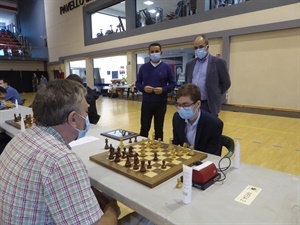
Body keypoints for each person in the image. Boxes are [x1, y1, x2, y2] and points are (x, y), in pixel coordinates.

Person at [0, 79, 154, 225]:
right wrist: (112, 207)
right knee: (151, 219)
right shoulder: (61, 160)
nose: (87, 118)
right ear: (73, 119)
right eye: (86, 112)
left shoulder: (20, 139)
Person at [135, 42, 175, 141]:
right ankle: (141, 148)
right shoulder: (143, 68)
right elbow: (138, 83)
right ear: (149, 53)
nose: (154, 53)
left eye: (156, 51)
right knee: (144, 127)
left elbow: (172, 84)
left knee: (159, 129)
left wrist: (163, 89)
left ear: (161, 52)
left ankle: (159, 150)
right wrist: (143, 88)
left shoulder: (167, 67)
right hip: (147, 103)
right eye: (152, 52)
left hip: (161, 103)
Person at [185, 34, 231, 116]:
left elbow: (226, 83)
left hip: (209, 104)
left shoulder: (218, 62)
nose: (198, 49)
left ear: (207, 47)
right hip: (193, 105)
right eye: (195, 48)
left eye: (201, 47)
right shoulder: (189, 64)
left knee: (210, 128)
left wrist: (216, 93)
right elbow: (187, 83)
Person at [172, 83, 223, 156]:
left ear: (198, 104)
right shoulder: (177, 118)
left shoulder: (214, 124)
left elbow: (212, 155)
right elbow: (176, 145)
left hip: (203, 162)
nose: (181, 109)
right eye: (179, 105)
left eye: (185, 105)